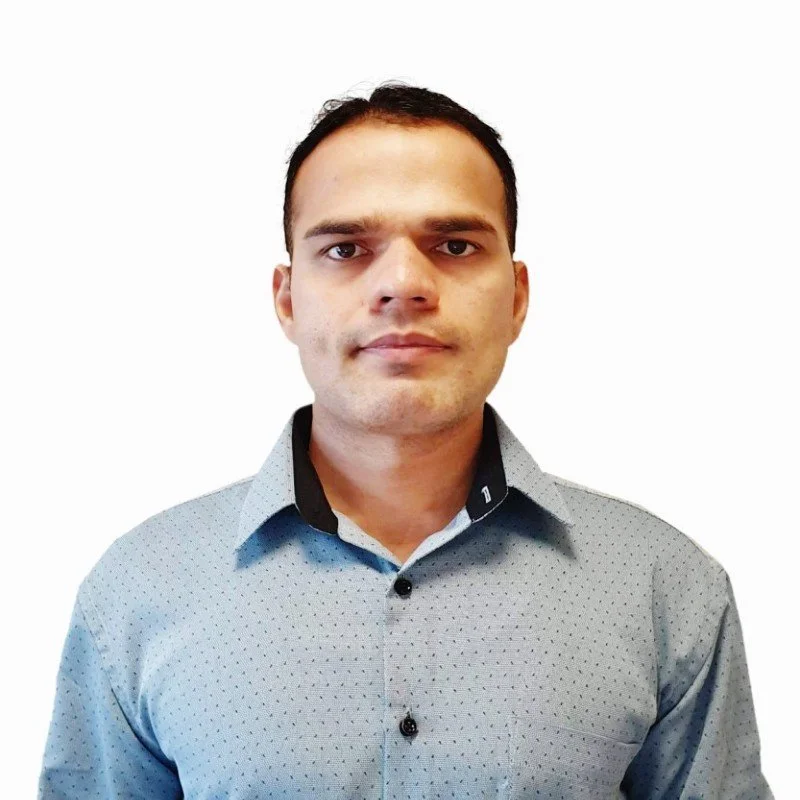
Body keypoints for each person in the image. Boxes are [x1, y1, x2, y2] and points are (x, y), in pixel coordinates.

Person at [38, 80, 773, 799]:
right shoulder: (140, 591)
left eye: (454, 244)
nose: (403, 284)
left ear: (517, 298)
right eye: (345, 249)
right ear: (287, 300)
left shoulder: (664, 587)